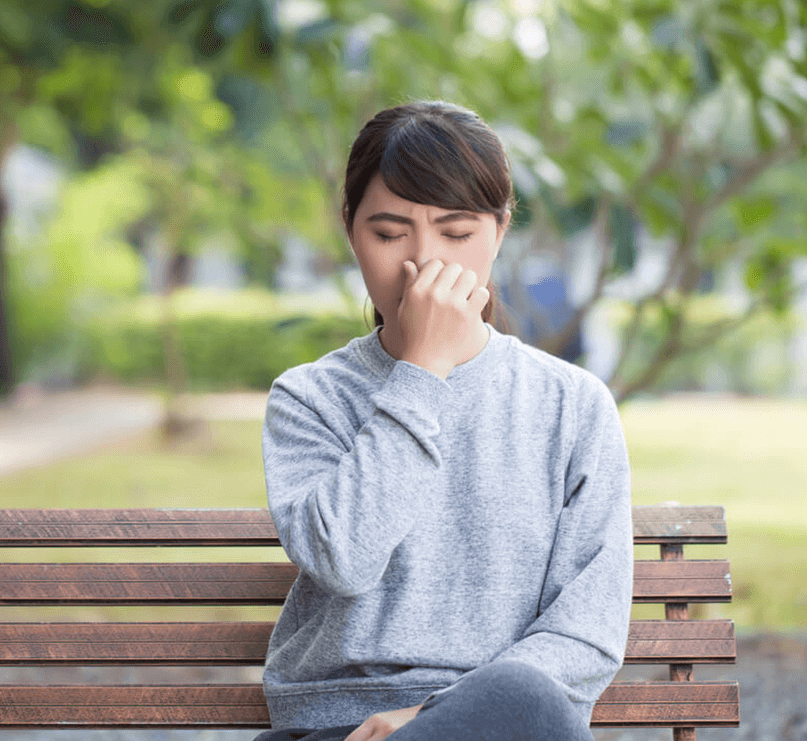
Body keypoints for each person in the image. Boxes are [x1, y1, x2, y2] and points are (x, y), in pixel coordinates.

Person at [254, 100, 633, 741]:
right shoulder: (308, 399)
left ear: (501, 230)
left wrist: (431, 718)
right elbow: (343, 558)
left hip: (508, 723)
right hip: (336, 729)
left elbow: (587, 633)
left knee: (526, 696)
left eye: (455, 235)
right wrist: (423, 372)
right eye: (388, 233)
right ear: (350, 228)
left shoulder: (574, 406)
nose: (423, 265)